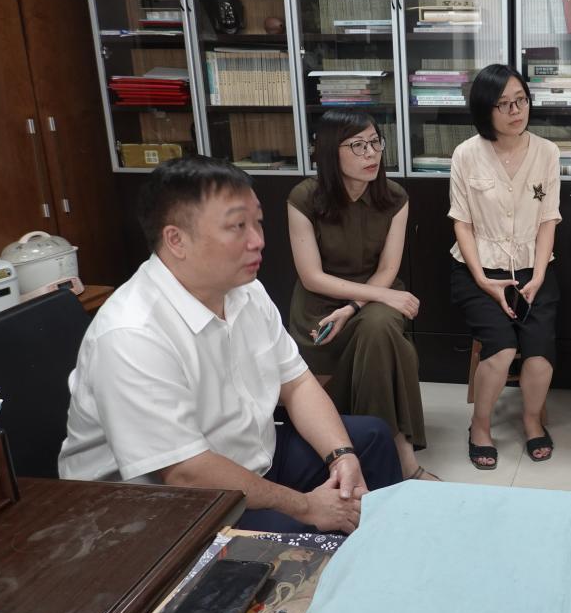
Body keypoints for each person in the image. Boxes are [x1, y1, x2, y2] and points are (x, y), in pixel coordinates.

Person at [59, 155, 402, 533]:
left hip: (249, 455)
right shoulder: (131, 333)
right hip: (162, 507)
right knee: (298, 534)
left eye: (258, 222)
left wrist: (341, 456)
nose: (258, 241)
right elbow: (186, 472)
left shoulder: (246, 291)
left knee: (369, 441)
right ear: (176, 239)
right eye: (238, 226)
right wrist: (306, 507)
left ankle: (382, 549)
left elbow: (298, 384)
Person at [286, 109, 436, 482]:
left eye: (374, 143)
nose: (371, 154)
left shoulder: (395, 197)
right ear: (329, 151)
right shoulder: (304, 198)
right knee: (389, 341)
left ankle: (394, 459)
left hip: (375, 297)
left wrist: (354, 307)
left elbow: (387, 269)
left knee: (379, 327)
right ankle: (401, 459)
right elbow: (312, 277)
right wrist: (351, 305)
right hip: (321, 307)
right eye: (357, 145)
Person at [449, 64, 561, 469]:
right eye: (504, 104)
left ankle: (531, 420)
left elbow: (548, 219)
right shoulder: (466, 154)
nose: (516, 111)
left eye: (521, 100)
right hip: (479, 269)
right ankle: (480, 425)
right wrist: (482, 279)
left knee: (539, 353)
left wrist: (540, 275)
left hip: (534, 269)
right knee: (501, 349)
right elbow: (461, 222)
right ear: (485, 109)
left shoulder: (547, 153)